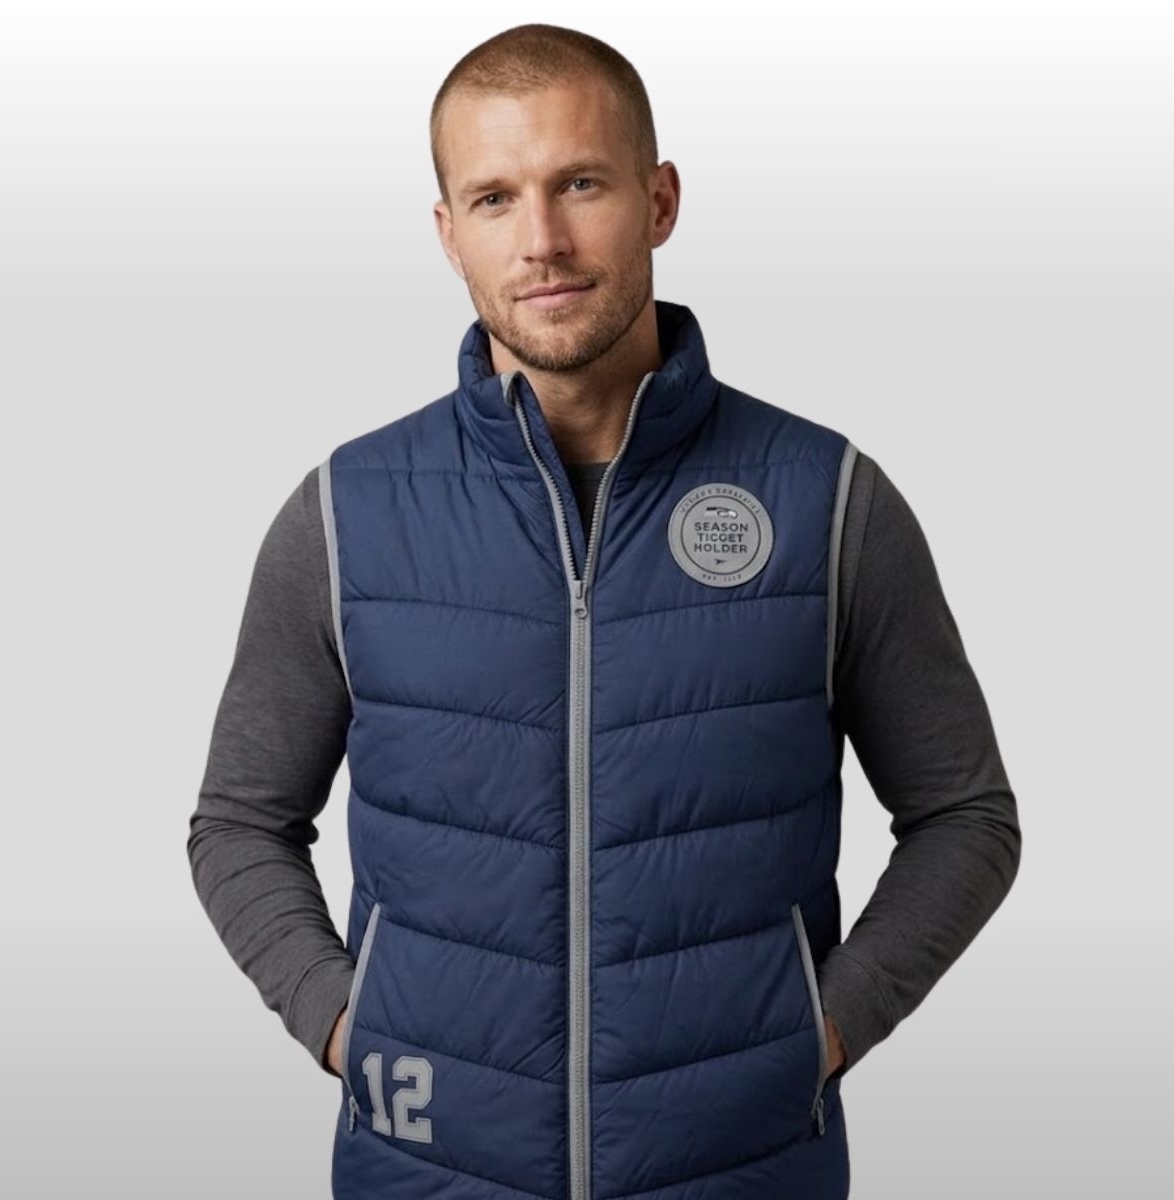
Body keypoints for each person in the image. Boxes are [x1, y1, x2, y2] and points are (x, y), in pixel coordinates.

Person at [187, 22, 1021, 1200]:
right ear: (448, 233)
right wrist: (344, 1024)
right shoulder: (346, 513)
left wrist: (819, 1036)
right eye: (494, 198)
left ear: (659, 200)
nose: (542, 240)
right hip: (427, 1172)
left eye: (580, 183)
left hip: (744, 1173)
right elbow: (237, 823)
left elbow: (965, 816)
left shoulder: (827, 501)